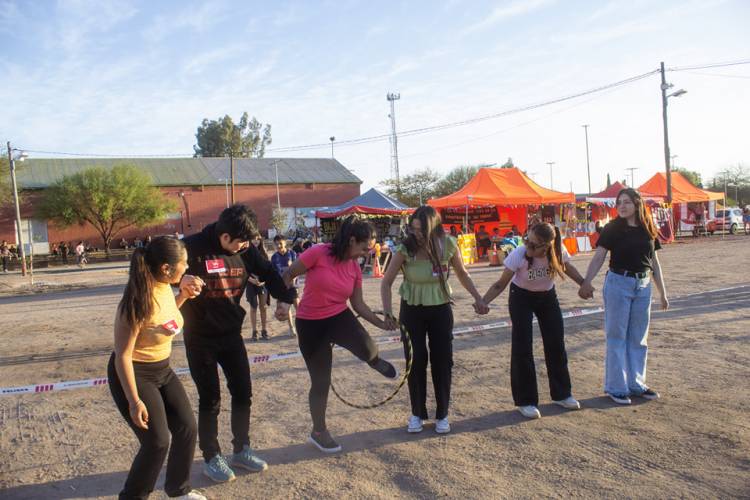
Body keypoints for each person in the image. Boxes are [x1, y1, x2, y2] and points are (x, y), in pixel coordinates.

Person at [181, 205, 297, 482]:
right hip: (200, 338)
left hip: (232, 335)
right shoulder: (191, 248)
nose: (245, 247)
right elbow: (150, 264)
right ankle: (211, 457)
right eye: (240, 241)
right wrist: (179, 277)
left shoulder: (246, 249)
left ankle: (241, 449)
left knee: (243, 393)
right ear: (223, 236)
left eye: (249, 241)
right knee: (210, 399)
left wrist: (286, 300)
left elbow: (268, 273)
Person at [282, 216, 398, 453]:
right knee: (321, 381)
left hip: (338, 316)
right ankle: (318, 431)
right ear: (352, 240)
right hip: (310, 323)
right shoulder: (318, 252)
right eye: (364, 248)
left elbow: (358, 304)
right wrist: (283, 303)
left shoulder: (355, 267)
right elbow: (287, 274)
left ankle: (375, 361)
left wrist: (381, 323)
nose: (366, 254)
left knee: (369, 349)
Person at [107, 236, 206, 500]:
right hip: (134, 372)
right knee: (157, 441)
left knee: (187, 427)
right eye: (183, 264)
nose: (186, 268)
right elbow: (123, 356)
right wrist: (134, 401)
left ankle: (179, 489)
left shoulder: (164, 286)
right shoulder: (135, 303)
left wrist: (183, 296)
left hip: (162, 369)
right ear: (166, 268)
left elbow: (166, 318)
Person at [381, 206, 489, 434]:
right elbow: (386, 282)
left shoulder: (448, 244)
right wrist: (388, 312)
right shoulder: (404, 248)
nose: (416, 233)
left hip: (440, 308)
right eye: (413, 229)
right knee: (416, 360)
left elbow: (462, 273)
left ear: (432, 227)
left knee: (442, 361)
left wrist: (478, 297)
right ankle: (417, 414)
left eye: (420, 229)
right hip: (411, 309)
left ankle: (443, 414)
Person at [481, 223, 586, 419]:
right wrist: (483, 301)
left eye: (533, 243)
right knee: (522, 346)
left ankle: (562, 394)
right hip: (520, 297)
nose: (527, 244)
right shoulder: (519, 253)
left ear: (546, 246)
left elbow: (568, 268)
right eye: (527, 239)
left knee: (556, 342)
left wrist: (584, 283)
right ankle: (526, 400)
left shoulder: (557, 251)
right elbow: (501, 283)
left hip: (547, 297)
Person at [578, 188, 669, 405]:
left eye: (627, 202)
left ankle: (636, 384)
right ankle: (616, 387)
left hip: (643, 285)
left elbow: (654, 262)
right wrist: (586, 281)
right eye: (619, 202)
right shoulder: (612, 228)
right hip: (619, 284)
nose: (622, 206)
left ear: (637, 204)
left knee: (638, 337)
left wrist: (662, 292)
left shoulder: (648, 228)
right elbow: (599, 256)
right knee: (617, 336)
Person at [271, 235, 299, 336]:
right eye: (276, 244)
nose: (278, 245)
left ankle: (302, 326)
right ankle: (292, 328)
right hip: (282, 287)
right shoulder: (274, 257)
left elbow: (297, 268)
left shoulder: (292, 253)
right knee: (285, 308)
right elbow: (273, 273)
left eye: (280, 243)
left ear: (285, 243)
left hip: (292, 285)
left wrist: (293, 277)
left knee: (298, 306)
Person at [246, 236, 271, 341]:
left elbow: (268, 269)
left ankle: (264, 331)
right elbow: (243, 270)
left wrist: (263, 280)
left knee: (263, 307)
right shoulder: (246, 252)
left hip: (262, 283)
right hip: (251, 283)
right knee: (253, 307)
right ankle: (254, 331)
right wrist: (252, 280)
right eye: (253, 238)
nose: (255, 240)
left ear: (260, 240)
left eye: (257, 238)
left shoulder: (264, 253)